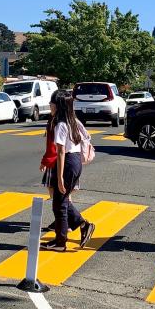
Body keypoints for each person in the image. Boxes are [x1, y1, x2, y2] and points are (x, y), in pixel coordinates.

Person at [43, 91, 96, 253]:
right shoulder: (73, 121)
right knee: (63, 201)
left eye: (52, 103)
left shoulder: (60, 124)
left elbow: (60, 151)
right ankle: (81, 226)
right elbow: (86, 136)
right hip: (76, 162)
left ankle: (61, 242)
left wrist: (58, 177)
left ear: (58, 105)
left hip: (66, 163)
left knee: (59, 205)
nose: (50, 105)